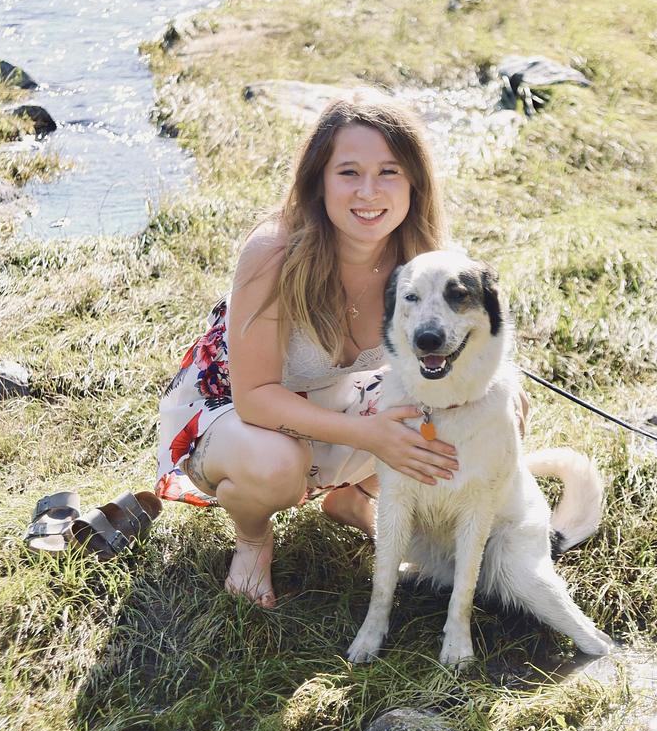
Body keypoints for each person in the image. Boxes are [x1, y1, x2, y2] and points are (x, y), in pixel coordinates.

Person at [155, 89, 527, 608]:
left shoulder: (424, 260)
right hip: (238, 411)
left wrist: (495, 391)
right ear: (320, 181)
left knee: (489, 403)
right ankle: (253, 542)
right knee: (275, 464)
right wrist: (371, 436)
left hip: (341, 398)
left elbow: (477, 348)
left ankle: (356, 497)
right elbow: (255, 397)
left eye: (389, 172)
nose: (368, 192)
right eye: (349, 172)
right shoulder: (275, 250)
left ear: (414, 182)